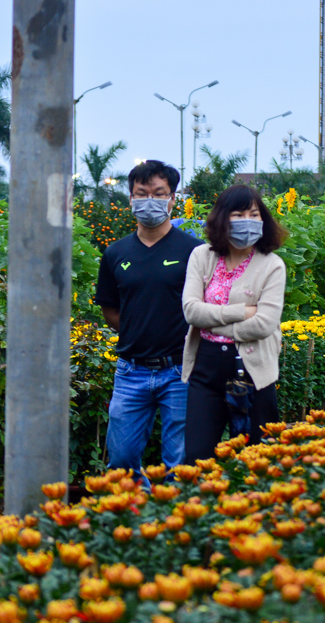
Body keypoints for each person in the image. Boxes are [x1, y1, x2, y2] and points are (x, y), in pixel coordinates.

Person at [94, 160, 203, 478]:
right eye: (142, 194)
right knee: (122, 461)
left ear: (173, 199)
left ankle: (174, 523)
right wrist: (138, 330)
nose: (150, 201)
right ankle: (136, 522)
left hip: (182, 372)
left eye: (159, 193)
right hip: (131, 372)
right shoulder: (116, 253)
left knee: (181, 465)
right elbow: (110, 308)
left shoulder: (195, 252)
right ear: (130, 199)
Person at [181, 184, 288, 462]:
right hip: (206, 369)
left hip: (253, 370)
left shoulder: (272, 264)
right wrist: (241, 311)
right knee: (198, 456)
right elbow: (191, 311)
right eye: (238, 215)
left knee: (258, 458)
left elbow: (264, 324)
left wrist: (211, 323)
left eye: (254, 214)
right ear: (222, 219)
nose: (248, 222)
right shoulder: (202, 256)